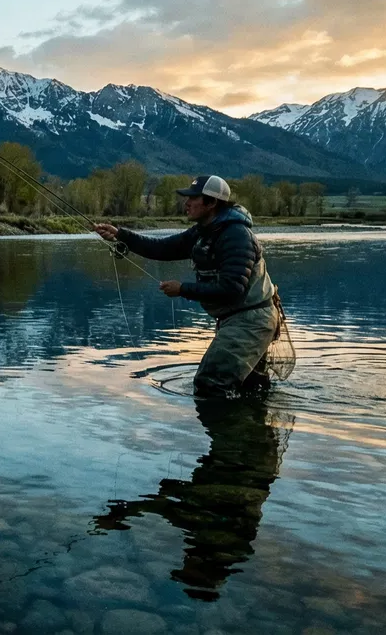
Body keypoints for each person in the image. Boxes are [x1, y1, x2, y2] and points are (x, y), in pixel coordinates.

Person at [93, 174, 280, 396]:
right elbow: (162, 248)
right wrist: (121, 235)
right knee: (250, 388)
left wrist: (183, 289)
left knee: (210, 384)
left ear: (211, 203)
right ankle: (248, 426)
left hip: (251, 321)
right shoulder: (204, 231)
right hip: (239, 319)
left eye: (193, 198)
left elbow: (231, 288)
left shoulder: (236, 235)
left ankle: (231, 426)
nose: (186, 203)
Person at [90, 394, 286, 601]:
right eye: (186, 569)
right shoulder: (219, 543)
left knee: (227, 402)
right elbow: (173, 510)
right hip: (244, 460)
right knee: (224, 404)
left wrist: (126, 512)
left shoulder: (212, 544)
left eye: (183, 568)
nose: (184, 561)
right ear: (204, 571)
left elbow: (170, 510)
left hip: (242, 461)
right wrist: (127, 512)